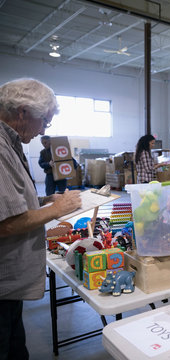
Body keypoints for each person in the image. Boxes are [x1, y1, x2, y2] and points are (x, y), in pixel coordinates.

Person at [0, 78, 82, 359]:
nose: (44, 129)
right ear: (22, 112)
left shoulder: (10, 143)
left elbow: (11, 201)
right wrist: (57, 210)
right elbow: (7, 223)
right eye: (44, 121)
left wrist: (46, 201)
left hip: (10, 288)